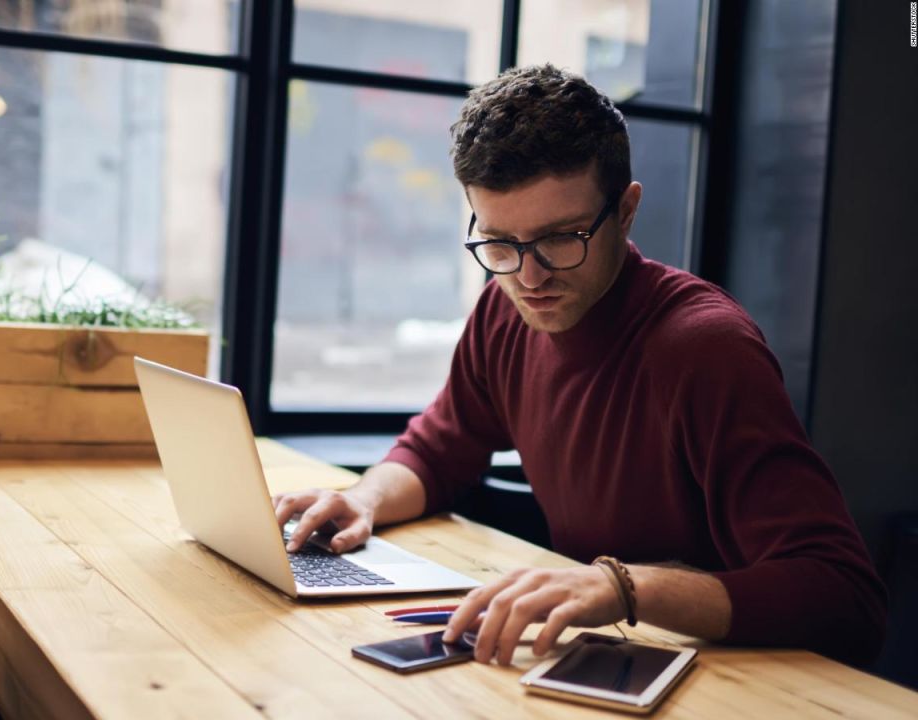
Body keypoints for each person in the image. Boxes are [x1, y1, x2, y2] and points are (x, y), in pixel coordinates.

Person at [273, 64, 885, 668]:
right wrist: (366, 498)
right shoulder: (504, 309)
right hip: (607, 656)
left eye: (561, 237)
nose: (530, 277)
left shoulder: (706, 349)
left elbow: (844, 598)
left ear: (626, 211)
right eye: (499, 243)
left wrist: (622, 587)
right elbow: (440, 447)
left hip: (733, 675)